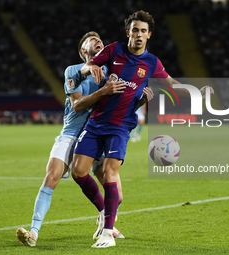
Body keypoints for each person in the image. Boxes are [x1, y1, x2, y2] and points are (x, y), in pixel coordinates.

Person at [72, 10, 213, 248]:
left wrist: (195, 91)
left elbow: (171, 83)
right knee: (78, 172)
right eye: (135, 30)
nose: (139, 34)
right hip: (96, 122)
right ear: (129, 32)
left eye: (143, 31)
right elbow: (85, 68)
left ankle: (108, 233)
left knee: (108, 172)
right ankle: (105, 213)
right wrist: (91, 68)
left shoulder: (152, 63)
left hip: (120, 127)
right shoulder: (114, 49)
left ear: (148, 36)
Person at [16, 31, 129, 247]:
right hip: (71, 133)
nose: (98, 41)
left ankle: (103, 217)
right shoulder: (74, 70)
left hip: (97, 135)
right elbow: (77, 105)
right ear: (82, 50)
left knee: (117, 196)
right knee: (51, 177)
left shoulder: (111, 73)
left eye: (100, 40)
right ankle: (34, 232)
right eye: (92, 40)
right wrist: (103, 90)